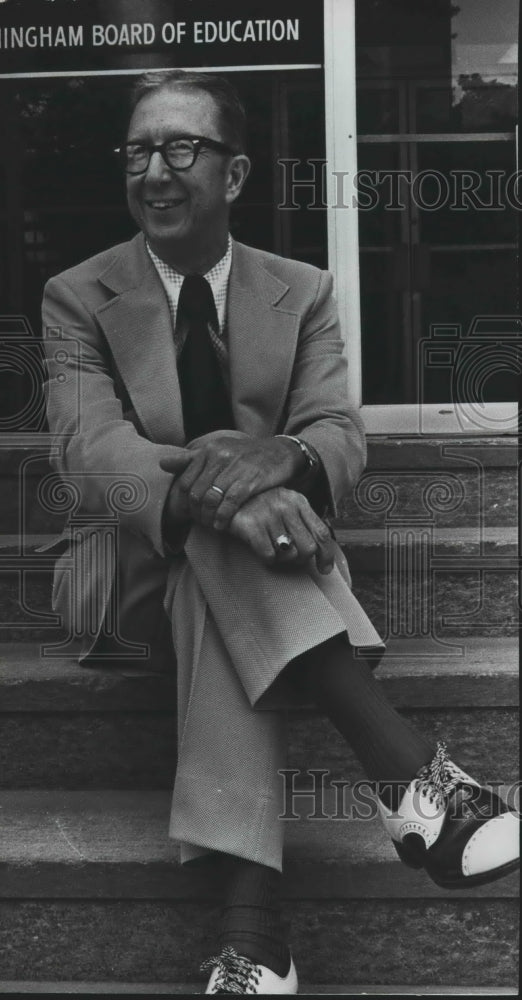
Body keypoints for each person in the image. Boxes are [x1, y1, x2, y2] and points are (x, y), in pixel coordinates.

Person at [42, 70, 519, 995]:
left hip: (242, 580)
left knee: (220, 568)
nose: (156, 171)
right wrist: (234, 486)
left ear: (236, 172)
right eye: (137, 151)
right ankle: (413, 778)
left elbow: (337, 432)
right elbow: (90, 451)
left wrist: (285, 460)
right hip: (116, 577)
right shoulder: (76, 296)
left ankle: (255, 941)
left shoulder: (298, 291)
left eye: (182, 148)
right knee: (221, 530)